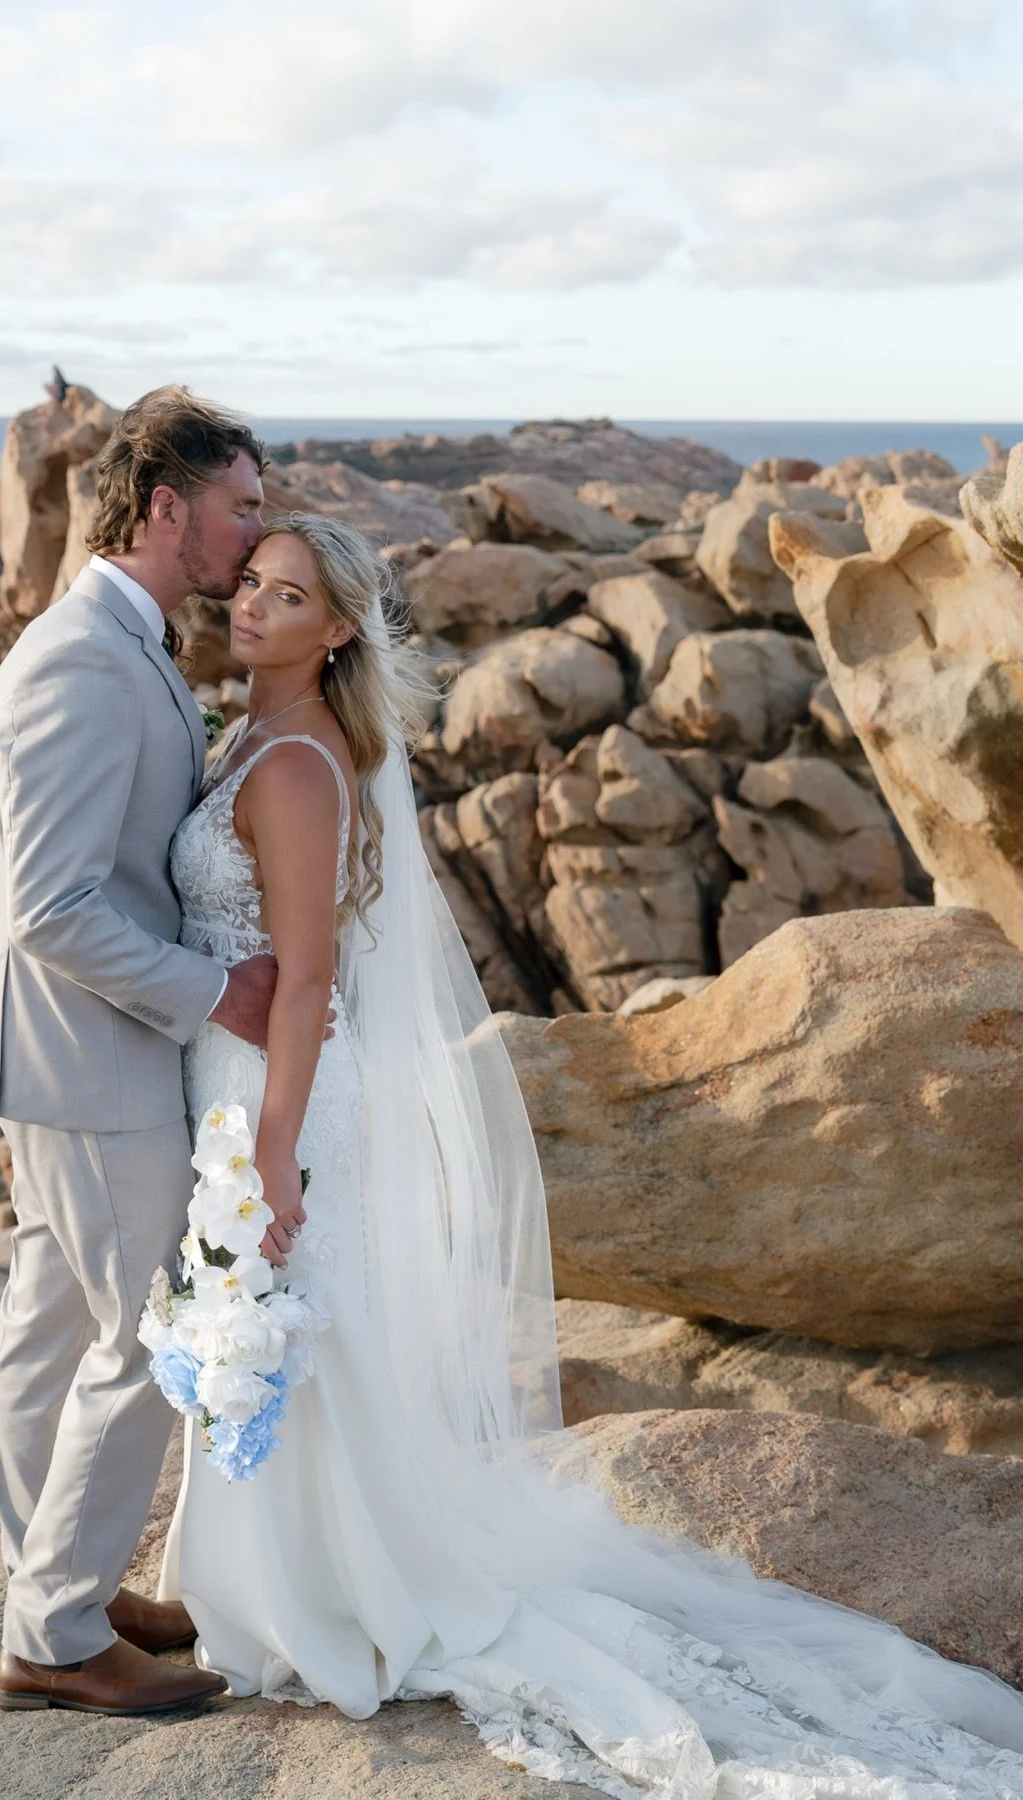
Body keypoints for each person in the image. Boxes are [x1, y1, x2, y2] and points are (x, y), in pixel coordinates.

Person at [161, 509, 1023, 1796]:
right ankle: (253, 1580)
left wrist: (275, 1149)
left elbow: (305, 978)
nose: (250, 609)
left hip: (276, 1090)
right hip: (243, 1081)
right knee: (289, 1327)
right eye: (251, 586)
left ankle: (318, 1600)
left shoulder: (295, 764)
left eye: (285, 598)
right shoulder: (257, 735)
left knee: (293, 1320)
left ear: (336, 628)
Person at [0, 386, 283, 1715]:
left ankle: (54, 1584)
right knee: (149, 1333)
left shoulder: (120, 636)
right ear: (167, 508)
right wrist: (217, 991)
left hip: (64, 1060)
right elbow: (51, 907)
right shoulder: (84, 659)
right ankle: (54, 1631)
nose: (257, 539)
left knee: (46, 1336)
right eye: (242, 508)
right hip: (91, 1062)